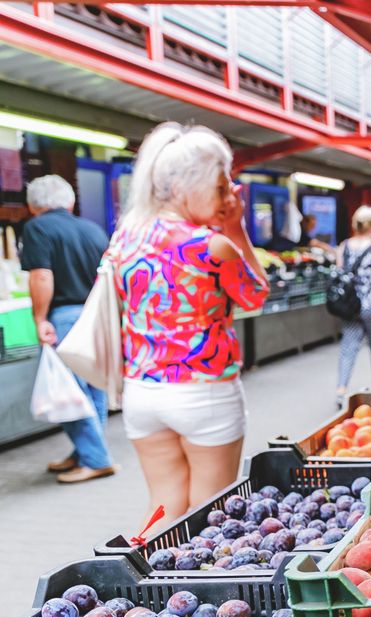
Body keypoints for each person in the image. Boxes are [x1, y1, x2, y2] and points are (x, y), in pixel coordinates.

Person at [105, 122, 268, 526]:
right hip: (203, 391)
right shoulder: (210, 244)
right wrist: (234, 227)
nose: (227, 196)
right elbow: (255, 295)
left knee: (162, 504)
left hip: (143, 391)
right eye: (219, 186)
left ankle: (142, 580)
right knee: (209, 515)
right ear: (185, 187)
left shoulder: (125, 239)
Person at [20, 175, 116, 484]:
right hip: (95, 317)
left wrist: (39, 318)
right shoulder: (92, 228)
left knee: (67, 392)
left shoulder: (38, 227)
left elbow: (41, 276)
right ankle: (84, 453)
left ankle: (97, 459)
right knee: (92, 389)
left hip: (65, 317)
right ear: (70, 201)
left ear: (34, 206)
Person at [335, 206, 371, 399]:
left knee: (348, 347)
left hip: (350, 306)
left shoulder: (344, 247)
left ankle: (341, 388)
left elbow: (340, 275)